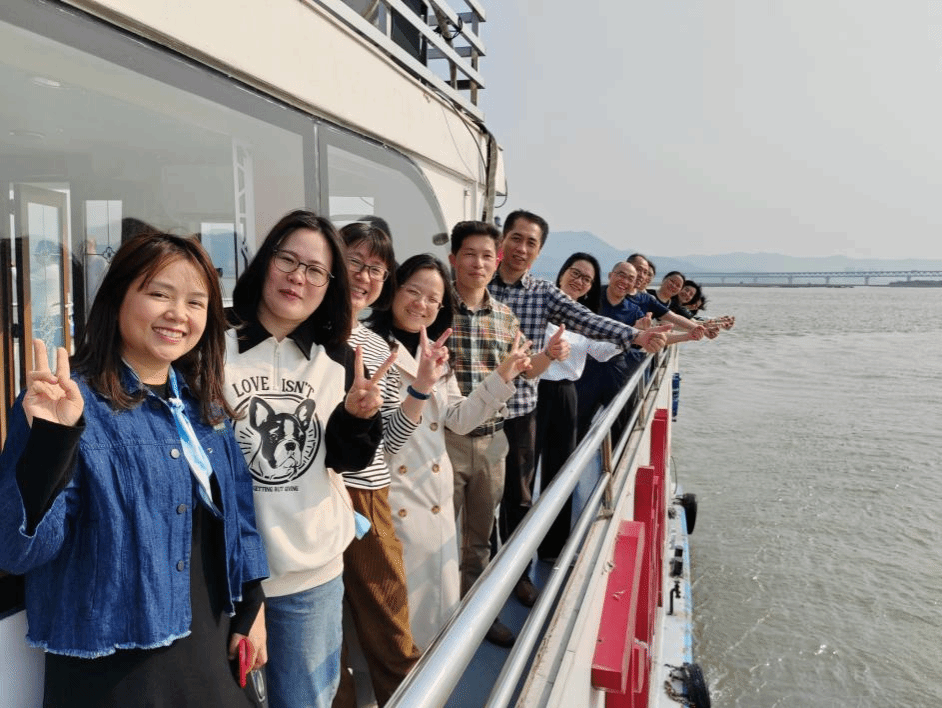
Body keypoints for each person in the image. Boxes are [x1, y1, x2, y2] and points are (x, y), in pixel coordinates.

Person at [0, 232, 269, 706]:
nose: (179, 314)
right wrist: (52, 443)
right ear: (117, 298)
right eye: (160, 294)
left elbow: (240, 516)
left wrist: (252, 604)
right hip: (111, 667)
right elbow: (18, 551)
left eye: (195, 302)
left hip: (207, 647)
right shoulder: (64, 402)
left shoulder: (205, 407)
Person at [224, 210, 384, 708]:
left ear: (330, 284)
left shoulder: (339, 359)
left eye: (315, 270)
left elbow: (346, 460)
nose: (298, 277)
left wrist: (359, 417)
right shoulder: (211, 345)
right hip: (226, 576)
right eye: (288, 260)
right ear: (264, 262)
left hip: (309, 574)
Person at [488, 210, 670, 607]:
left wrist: (637, 336)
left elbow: (588, 322)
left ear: (539, 252)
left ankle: (516, 575)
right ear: (502, 240)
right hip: (475, 409)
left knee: (519, 495)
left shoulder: (542, 294)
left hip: (520, 407)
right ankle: (479, 575)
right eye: (516, 238)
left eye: (531, 243)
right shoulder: (478, 282)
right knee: (484, 498)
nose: (521, 248)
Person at [367, 254, 532, 650]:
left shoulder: (436, 352)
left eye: (433, 299)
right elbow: (386, 442)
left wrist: (502, 376)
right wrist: (421, 387)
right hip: (394, 503)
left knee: (433, 618)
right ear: (394, 290)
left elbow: (458, 419)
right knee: (396, 622)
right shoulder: (372, 348)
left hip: (433, 502)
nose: (421, 304)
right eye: (413, 291)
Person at [443, 221, 564, 647]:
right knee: (438, 536)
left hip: (494, 441)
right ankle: (438, 618)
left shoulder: (505, 317)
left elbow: (527, 371)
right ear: (453, 259)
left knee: (480, 536)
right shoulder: (437, 308)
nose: (478, 263)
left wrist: (549, 354)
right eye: (469, 254)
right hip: (444, 441)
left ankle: (475, 616)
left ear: (495, 263)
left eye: (486, 256)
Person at [334, 222, 422, 707]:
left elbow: (388, 443)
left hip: (367, 493)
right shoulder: (303, 332)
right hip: (308, 494)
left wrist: (420, 391)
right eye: (355, 262)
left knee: (388, 610)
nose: (364, 277)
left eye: (376, 270)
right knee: (323, 628)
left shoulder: (378, 348)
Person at [535, 253, 620, 560]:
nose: (580, 281)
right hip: (531, 389)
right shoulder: (539, 304)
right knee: (523, 471)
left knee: (560, 471)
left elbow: (600, 350)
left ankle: (552, 547)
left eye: (587, 279)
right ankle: (510, 545)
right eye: (576, 272)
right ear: (562, 272)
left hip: (565, 394)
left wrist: (632, 335)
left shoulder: (585, 319)